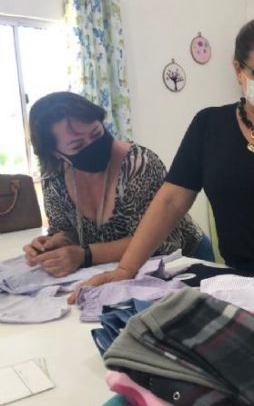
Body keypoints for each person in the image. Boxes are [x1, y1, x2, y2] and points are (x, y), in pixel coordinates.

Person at [84, 17, 254, 289]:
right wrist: (126, 268)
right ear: (238, 70)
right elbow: (170, 202)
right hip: (239, 280)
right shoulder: (208, 125)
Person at [23, 92, 210, 278]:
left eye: (97, 133)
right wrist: (51, 246)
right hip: (111, 268)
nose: (92, 145)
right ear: (55, 153)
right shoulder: (54, 177)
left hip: (182, 260)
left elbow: (158, 242)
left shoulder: (138, 164)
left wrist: (85, 255)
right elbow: (65, 230)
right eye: (77, 145)